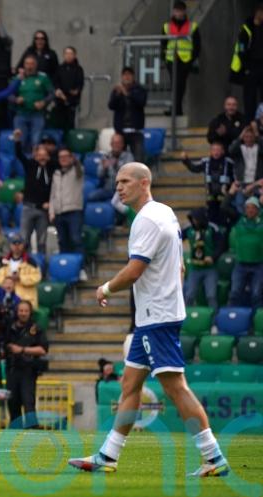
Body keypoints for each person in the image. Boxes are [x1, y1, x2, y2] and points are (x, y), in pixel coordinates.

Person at [68, 162, 230, 477]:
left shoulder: (146, 220)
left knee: (175, 387)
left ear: (144, 183)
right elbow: (180, 266)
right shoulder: (166, 212)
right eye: (116, 182)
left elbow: (134, 270)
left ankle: (213, 457)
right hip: (154, 316)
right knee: (130, 384)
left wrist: (105, 287)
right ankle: (108, 456)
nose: (118, 187)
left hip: (157, 317)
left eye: (125, 181)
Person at [3, 300, 48, 428]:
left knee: (28, 402)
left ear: (30, 312)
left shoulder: (36, 328)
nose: (23, 313)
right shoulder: (9, 328)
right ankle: (14, 430)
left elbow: (43, 350)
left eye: (26, 311)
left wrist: (22, 350)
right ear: (17, 312)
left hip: (28, 370)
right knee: (13, 403)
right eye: (21, 311)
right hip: (12, 369)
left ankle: (32, 429)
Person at [14, 129, 56, 254]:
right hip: (28, 207)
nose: (42, 157)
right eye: (39, 155)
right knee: (24, 239)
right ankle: (24, 265)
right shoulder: (30, 165)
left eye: (44, 155)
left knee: (42, 241)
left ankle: (42, 268)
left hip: (43, 210)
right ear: (35, 156)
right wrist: (17, 141)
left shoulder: (52, 168)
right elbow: (19, 155)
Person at [182, 143, 235, 226]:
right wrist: (186, 160)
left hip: (225, 197)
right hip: (210, 196)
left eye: (218, 150)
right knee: (211, 216)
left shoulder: (229, 163)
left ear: (223, 151)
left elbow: (235, 177)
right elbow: (194, 168)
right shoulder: (205, 162)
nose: (216, 152)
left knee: (224, 215)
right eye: (214, 150)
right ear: (210, 151)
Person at [162, 1, 200, 116]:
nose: (178, 13)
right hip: (171, 59)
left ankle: (176, 109)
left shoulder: (192, 26)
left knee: (180, 84)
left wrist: (192, 59)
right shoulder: (167, 26)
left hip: (185, 59)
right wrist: (164, 57)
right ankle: (176, 109)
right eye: (176, 11)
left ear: (184, 11)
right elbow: (163, 43)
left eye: (180, 11)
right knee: (175, 84)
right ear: (173, 11)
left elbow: (197, 45)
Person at [12, 55, 54, 156]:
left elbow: (52, 93)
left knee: (36, 142)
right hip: (21, 114)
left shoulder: (43, 77)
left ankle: (34, 167)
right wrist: (16, 99)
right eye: (27, 64)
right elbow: (9, 94)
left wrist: (44, 102)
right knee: (20, 142)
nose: (29, 66)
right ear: (24, 65)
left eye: (32, 64)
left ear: (36, 65)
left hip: (37, 114)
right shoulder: (18, 78)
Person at [228, 197, 263, 308]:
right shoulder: (239, 220)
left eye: (253, 208)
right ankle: (232, 318)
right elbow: (224, 208)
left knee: (256, 294)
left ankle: (257, 322)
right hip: (240, 265)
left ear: (258, 210)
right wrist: (230, 194)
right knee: (234, 293)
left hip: (258, 265)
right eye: (247, 208)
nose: (250, 210)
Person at [49, 148, 85, 255]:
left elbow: (79, 168)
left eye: (66, 156)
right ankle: (65, 268)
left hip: (74, 211)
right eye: (61, 157)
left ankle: (80, 267)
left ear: (71, 158)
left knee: (76, 239)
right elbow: (53, 194)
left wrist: (75, 161)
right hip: (59, 213)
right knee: (62, 241)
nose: (63, 159)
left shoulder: (77, 171)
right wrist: (51, 212)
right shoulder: (56, 174)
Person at [229, 5, 263, 116]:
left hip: (261, 65)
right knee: (250, 97)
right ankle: (250, 122)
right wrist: (247, 67)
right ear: (258, 13)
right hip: (250, 66)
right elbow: (241, 50)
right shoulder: (247, 28)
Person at [0, 232, 42, 309]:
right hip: (7, 300)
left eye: (19, 243)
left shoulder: (31, 261)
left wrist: (20, 278)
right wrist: (7, 281)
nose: (17, 246)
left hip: (26, 300)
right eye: (14, 243)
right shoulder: (4, 261)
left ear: (23, 245)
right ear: (10, 245)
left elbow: (37, 277)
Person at [109, 68, 147, 163]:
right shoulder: (117, 90)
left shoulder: (140, 89)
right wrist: (117, 95)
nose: (127, 77)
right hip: (121, 131)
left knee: (138, 159)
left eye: (129, 74)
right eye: (124, 75)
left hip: (135, 131)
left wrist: (127, 93)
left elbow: (141, 102)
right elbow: (111, 106)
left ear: (133, 76)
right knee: (119, 159)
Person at [183, 208, 218, 309]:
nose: (195, 221)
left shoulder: (212, 228)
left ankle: (213, 321)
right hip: (195, 268)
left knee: (211, 296)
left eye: (196, 219)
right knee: (189, 295)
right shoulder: (189, 229)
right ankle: (187, 320)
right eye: (193, 219)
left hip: (210, 269)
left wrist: (213, 257)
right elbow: (177, 238)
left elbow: (221, 245)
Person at [92, 133, 135, 202]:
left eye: (118, 143)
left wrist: (116, 164)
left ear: (122, 144)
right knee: (91, 197)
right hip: (107, 189)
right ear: (111, 144)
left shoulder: (128, 156)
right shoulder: (106, 156)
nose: (116, 145)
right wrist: (104, 168)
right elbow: (99, 175)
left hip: (123, 190)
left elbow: (129, 174)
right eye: (114, 143)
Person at [53, 46, 84, 132]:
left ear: (74, 55)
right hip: (60, 101)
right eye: (67, 53)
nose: (69, 56)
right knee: (59, 124)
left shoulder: (78, 69)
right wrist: (58, 90)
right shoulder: (59, 68)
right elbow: (56, 82)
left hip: (72, 102)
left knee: (70, 124)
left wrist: (75, 91)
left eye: (71, 54)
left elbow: (80, 84)